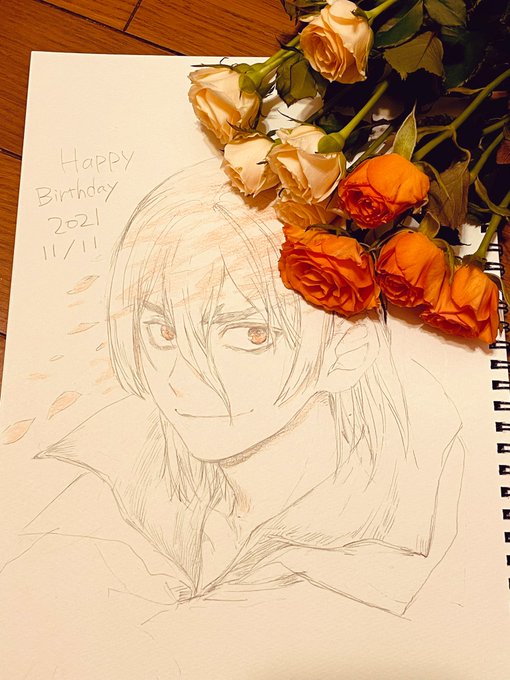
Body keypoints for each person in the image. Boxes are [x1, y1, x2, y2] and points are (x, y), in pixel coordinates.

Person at [0, 159, 464, 678]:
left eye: (250, 335)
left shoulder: (404, 532)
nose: (182, 379)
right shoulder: (104, 475)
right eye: (162, 332)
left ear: (347, 353)